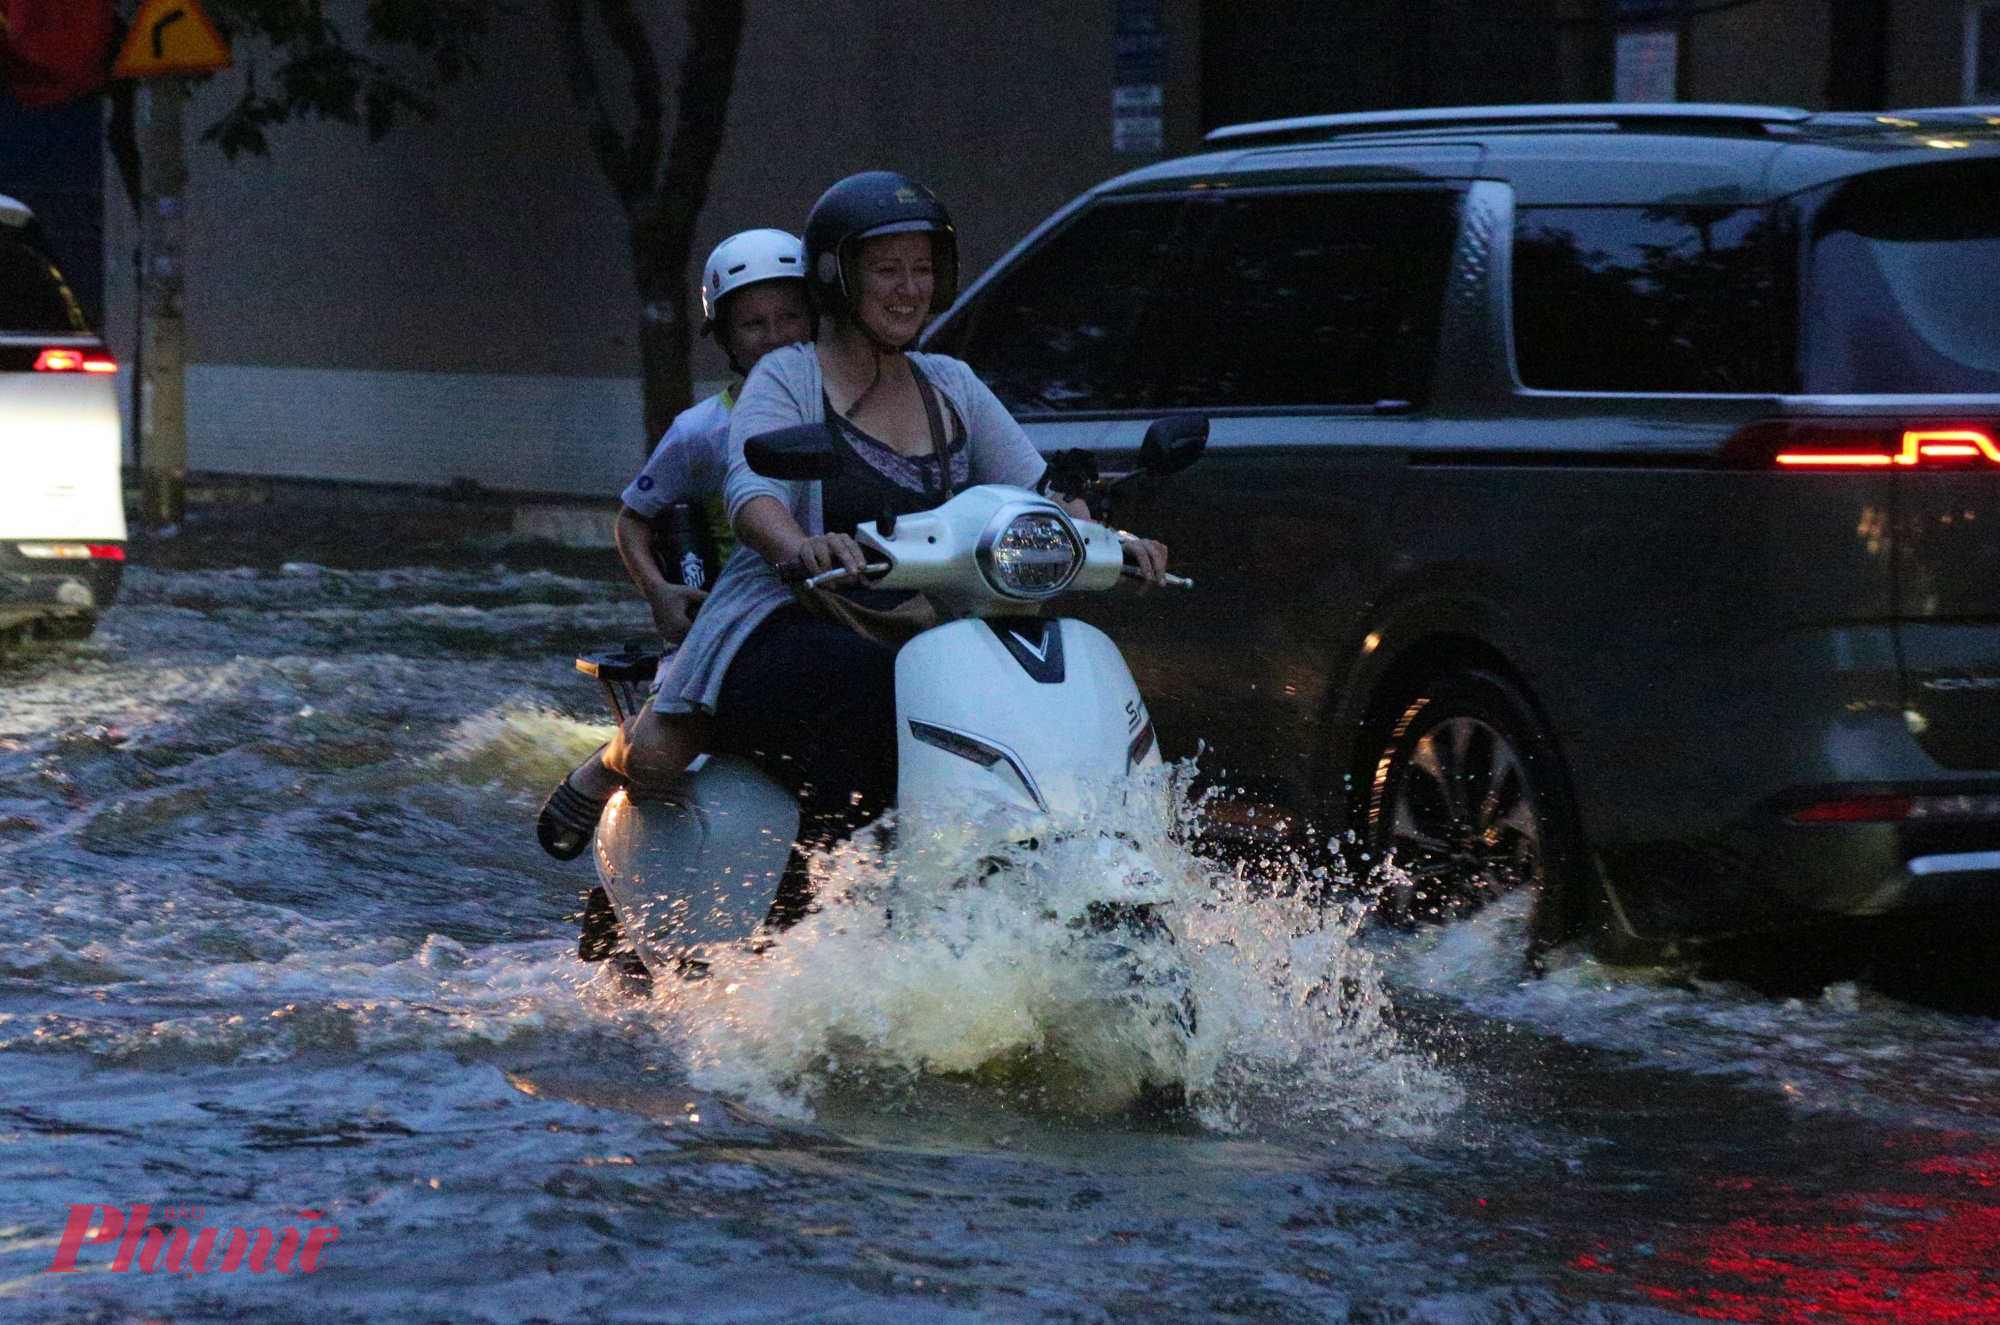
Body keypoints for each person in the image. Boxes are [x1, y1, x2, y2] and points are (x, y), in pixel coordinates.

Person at [609, 172, 1169, 905]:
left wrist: (1109, 540)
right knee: (871, 690)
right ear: (836, 277)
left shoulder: (952, 384)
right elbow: (752, 491)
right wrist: (798, 546)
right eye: (887, 269)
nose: (908, 289)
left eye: (922, 269)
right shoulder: (788, 374)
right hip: (785, 614)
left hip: (924, 626)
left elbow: (1036, 492)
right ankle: (815, 907)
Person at [536, 228, 812, 861]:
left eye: (791, 315)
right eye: (754, 323)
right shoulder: (701, 430)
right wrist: (660, 593)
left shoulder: (849, 405)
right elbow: (633, 519)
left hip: (833, 604)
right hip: (732, 616)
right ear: (722, 337)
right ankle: (607, 767)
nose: (776, 336)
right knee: (664, 753)